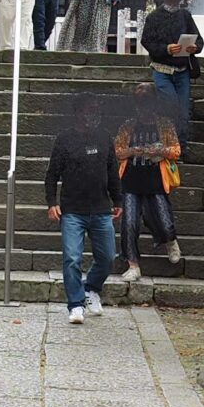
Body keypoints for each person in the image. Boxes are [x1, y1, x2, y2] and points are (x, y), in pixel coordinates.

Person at [44, 93, 121, 324]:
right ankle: (76, 304)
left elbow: (112, 171)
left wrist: (118, 201)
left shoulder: (105, 137)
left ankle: (91, 288)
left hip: (101, 208)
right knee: (72, 258)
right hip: (72, 210)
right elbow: (52, 175)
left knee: (108, 257)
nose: (94, 114)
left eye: (97, 109)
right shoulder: (64, 139)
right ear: (78, 112)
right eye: (89, 109)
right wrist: (52, 203)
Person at [115, 85, 183, 278]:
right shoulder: (128, 125)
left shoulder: (165, 125)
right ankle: (133, 264)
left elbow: (176, 151)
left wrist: (159, 150)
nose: (144, 109)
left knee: (164, 218)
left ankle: (170, 240)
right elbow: (117, 151)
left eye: (147, 103)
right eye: (140, 104)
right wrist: (132, 151)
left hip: (155, 178)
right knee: (129, 223)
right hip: (131, 178)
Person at [140, 0, 202, 150]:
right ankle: (167, 144)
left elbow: (199, 40)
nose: (174, 3)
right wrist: (166, 49)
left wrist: (195, 47)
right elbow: (146, 41)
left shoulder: (185, 16)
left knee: (183, 111)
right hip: (162, 69)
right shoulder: (154, 17)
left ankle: (180, 146)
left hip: (183, 69)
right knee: (170, 105)